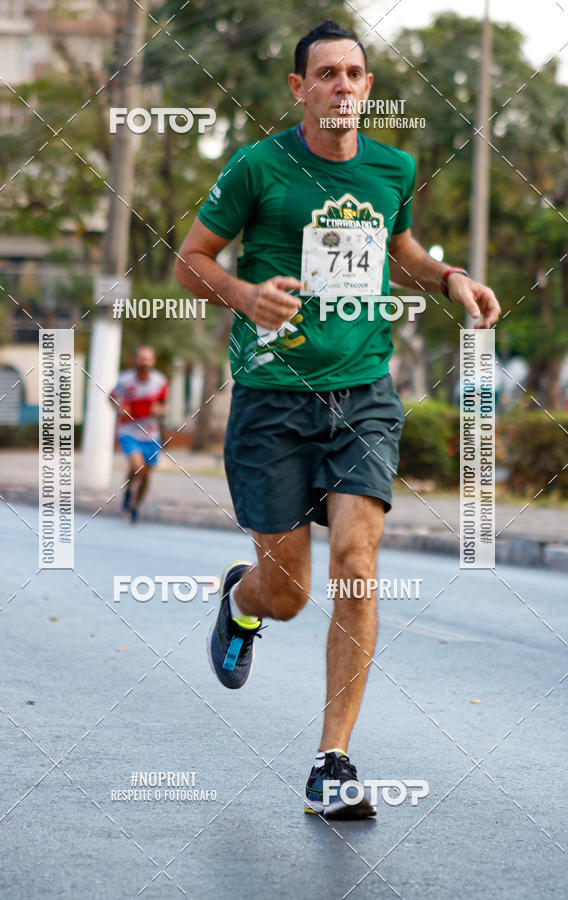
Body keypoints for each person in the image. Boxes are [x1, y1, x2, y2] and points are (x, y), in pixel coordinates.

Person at [175, 20, 500, 818]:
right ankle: (244, 602)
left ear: (368, 87)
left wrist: (449, 276)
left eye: (355, 73)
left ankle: (333, 762)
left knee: (357, 558)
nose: (343, 86)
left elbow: (401, 248)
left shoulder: (394, 166)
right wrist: (247, 296)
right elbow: (190, 259)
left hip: (362, 394)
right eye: (327, 74)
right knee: (288, 593)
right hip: (271, 400)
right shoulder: (258, 167)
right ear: (300, 89)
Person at [110, 346, 168, 524]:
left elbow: (164, 404)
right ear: (136, 360)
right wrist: (118, 409)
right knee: (138, 467)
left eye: (148, 359)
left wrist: (159, 410)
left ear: (153, 362)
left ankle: (135, 506)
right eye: (141, 359)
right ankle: (128, 491)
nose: (144, 362)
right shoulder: (125, 380)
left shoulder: (159, 381)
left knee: (146, 474)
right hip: (129, 431)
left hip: (151, 434)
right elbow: (112, 397)